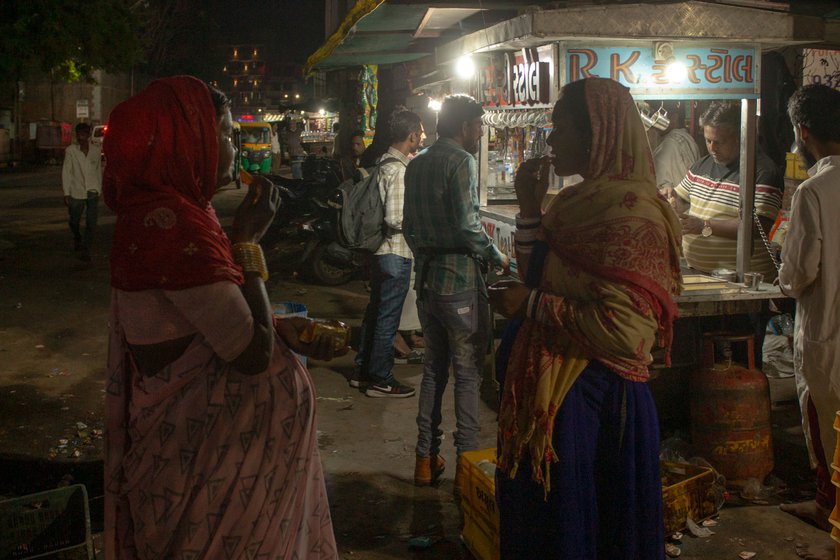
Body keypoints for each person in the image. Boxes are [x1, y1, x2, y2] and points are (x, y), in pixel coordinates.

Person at [102, 76, 343, 559]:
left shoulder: (178, 214)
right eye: (229, 135)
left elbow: (208, 322)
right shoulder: (172, 226)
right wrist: (249, 241)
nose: (237, 149)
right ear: (189, 140)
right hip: (207, 476)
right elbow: (250, 355)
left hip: (216, 471)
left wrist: (276, 327)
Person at [489, 78, 682, 558]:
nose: (551, 141)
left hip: (597, 402)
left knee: (587, 526)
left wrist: (529, 306)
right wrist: (530, 209)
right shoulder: (574, 203)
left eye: (560, 128)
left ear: (597, 133)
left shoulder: (634, 214)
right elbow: (541, 275)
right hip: (559, 397)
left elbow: (626, 331)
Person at [403, 94, 509, 488]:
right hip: (459, 283)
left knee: (433, 370)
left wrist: (426, 257)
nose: (481, 133)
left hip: (428, 283)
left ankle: (424, 459)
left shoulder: (418, 163)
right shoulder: (460, 162)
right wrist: (498, 257)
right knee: (467, 375)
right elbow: (468, 227)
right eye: (479, 126)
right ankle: (467, 463)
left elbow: (408, 226)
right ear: (465, 126)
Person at [777, 83, 840, 560]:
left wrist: (782, 280)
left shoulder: (814, 191)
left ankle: (827, 506)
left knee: (825, 422)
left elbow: (798, 275)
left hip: (826, 334)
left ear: (802, 132)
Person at [351, 107, 425, 397]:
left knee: (375, 314)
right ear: (410, 136)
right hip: (395, 253)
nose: (423, 136)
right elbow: (395, 219)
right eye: (420, 132)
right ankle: (381, 379)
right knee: (387, 319)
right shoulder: (398, 171)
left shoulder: (384, 164)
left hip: (382, 253)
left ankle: (362, 372)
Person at [673, 101, 783, 279]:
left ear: (740, 137)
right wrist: (669, 198)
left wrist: (704, 225)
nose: (712, 148)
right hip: (699, 273)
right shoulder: (702, 165)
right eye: (708, 141)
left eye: (719, 142)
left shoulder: (762, 171)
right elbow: (679, 200)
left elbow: (757, 227)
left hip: (742, 279)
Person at [62, 122, 102, 262]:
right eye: (79, 134)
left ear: (88, 135)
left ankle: (86, 250)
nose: (82, 137)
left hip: (92, 190)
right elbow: (67, 172)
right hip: (76, 191)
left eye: (84, 134)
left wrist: (99, 188)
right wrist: (66, 192)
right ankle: (77, 236)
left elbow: (98, 170)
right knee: (74, 219)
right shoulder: (71, 151)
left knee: (91, 222)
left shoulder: (96, 150)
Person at [652, 101, 700, 198]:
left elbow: (661, 185)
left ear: (674, 118)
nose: (654, 122)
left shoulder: (669, 144)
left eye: (659, 116)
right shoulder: (688, 138)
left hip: (675, 202)